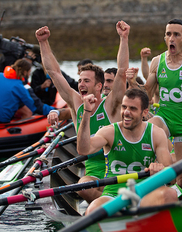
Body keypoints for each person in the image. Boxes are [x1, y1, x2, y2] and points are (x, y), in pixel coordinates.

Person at [35, 20, 130, 203]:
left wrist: (124, 38)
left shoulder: (111, 105)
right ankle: (116, 205)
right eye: (80, 81)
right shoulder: (76, 103)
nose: (80, 85)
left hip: (119, 167)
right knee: (83, 186)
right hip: (94, 169)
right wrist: (43, 43)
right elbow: (54, 73)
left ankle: (110, 204)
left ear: (99, 86)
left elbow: (122, 72)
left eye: (86, 81)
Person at [127, 19, 182, 199]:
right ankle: (148, 184)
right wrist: (132, 81)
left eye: (176, 35)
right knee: (149, 127)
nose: (171, 38)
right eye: (168, 34)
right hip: (164, 117)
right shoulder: (157, 62)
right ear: (165, 37)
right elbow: (147, 95)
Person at [77, 89, 178, 214]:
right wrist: (87, 112)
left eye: (133, 109)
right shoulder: (109, 132)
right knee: (92, 210)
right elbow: (83, 149)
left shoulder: (156, 133)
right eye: (124, 107)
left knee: (170, 194)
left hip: (145, 192)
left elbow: (171, 178)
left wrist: (159, 170)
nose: (126, 112)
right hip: (115, 193)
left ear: (145, 112)